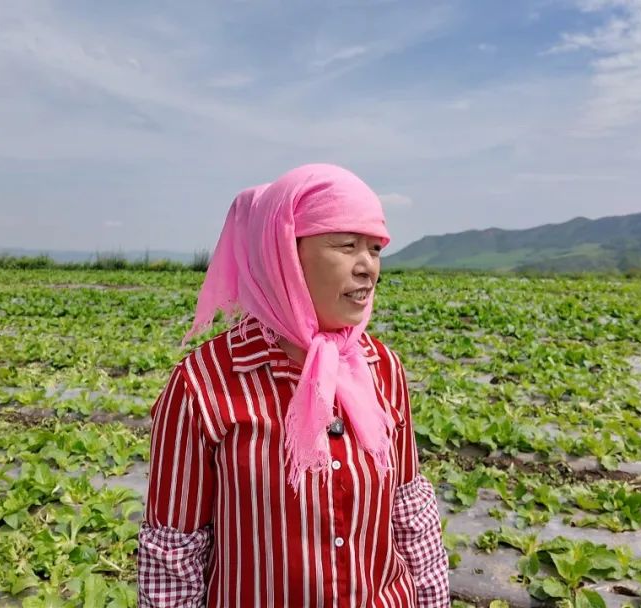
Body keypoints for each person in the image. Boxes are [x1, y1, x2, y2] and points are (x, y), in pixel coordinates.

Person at [137, 164, 450, 607]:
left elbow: (409, 513)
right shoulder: (204, 383)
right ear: (282, 253)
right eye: (347, 245)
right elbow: (173, 553)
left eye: (375, 248)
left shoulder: (382, 368)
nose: (368, 268)